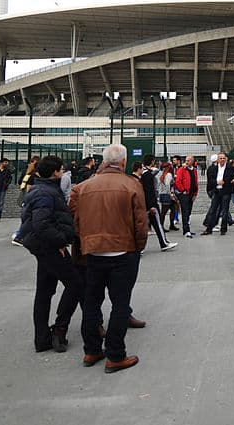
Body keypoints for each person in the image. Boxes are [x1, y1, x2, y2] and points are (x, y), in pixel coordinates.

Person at [69, 144, 147, 373]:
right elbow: (140, 223)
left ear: (103, 161)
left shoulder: (82, 187)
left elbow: (76, 220)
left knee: (91, 303)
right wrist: (138, 248)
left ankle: (91, 349)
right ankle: (115, 355)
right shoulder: (132, 185)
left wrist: (86, 242)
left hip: (92, 253)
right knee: (120, 304)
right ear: (123, 162)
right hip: (123, 251)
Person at [18, 155, 83, 352]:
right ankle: (58, 328)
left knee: (44, 291)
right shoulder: (44, 193)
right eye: (61, 170)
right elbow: (41, 224)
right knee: (76, 283)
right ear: (55, 172)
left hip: (42, 247)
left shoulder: (42, 189)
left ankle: (42, 338)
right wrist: (61, 241)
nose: (63, 173)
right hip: (49, 248)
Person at [137, 157, 177, 252]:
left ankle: (142, 247)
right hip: (151, 204)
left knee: (145, 225)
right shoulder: (148, 175)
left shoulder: (144, 174)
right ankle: (163, 243)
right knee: (158, 224)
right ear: (152, 162)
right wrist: (152, 205)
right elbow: (149, 191)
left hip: (146, 203)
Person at [202, 154, 234, 235]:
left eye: (223, 158)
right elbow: (210, 181)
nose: (222, 160)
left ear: (226, 159)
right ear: (217, 160)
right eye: (220, 158)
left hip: (226, 191)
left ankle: (223, 229)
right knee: (213, 210)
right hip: (216, 191)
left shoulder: (230, 168)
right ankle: (209, 229)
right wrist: (217, 182)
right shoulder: (213, 169)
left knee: (225, 211)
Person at [173, 155, 198, 238]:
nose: (187, 162)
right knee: (185, 211)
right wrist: (183, 190)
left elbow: (195, 181)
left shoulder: (194, 170)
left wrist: (195, 193)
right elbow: (178, 181)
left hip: (191, 193)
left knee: (188, 211)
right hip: (185, 194)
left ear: (192, 161)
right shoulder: (182, 170)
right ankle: (186, 230)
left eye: (189, 160)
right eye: (186, 160)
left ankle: (188, 229)